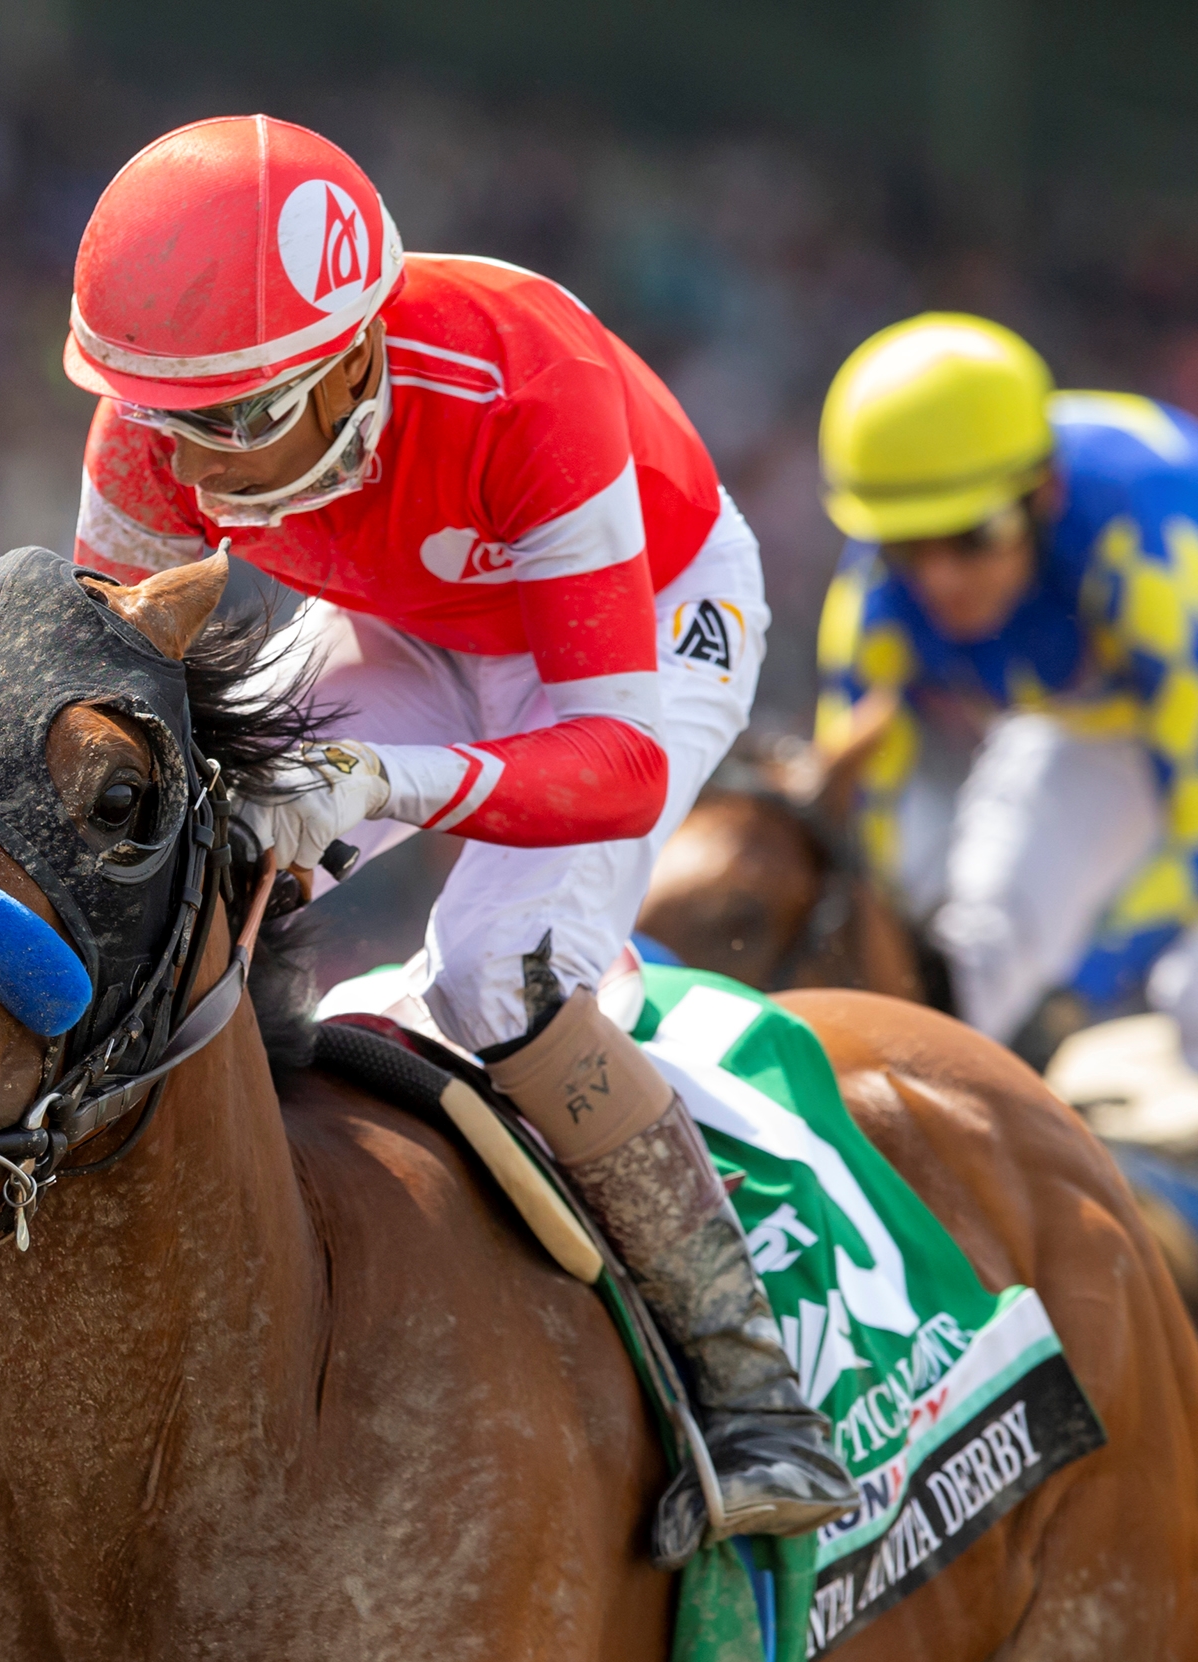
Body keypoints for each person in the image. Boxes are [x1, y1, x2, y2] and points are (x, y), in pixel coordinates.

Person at [65, 114, 851, 1567]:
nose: (196, 467)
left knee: (498, 967)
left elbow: (610, 760)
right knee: (160, 841)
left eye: (239, 423)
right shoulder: (160, 410)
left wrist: (380, 780)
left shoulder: (521, 373)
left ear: (355, 355)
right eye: (172, 422)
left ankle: (753, 1388)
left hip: (640, 637)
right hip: (410, 631)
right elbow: (95, 681)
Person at [814, 312, 1198, 1061]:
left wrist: (1096, 976)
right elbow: (857, 829)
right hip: (1094, 720)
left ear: (1044, 493)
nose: (941, 578)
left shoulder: (1147, 549)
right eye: (905, 546)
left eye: (972, 536)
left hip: (1182, 706)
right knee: (976, 960)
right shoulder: (873, 603)